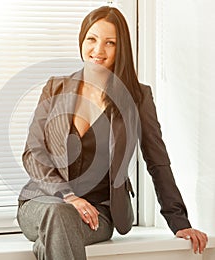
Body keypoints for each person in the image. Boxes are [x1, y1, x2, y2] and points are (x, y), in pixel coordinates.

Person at [16, 6, 208, 260]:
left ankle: (48, 244)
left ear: (121, 49)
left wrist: (179, 222)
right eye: (92, 39)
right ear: (82, 40)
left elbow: (157, 160)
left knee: (59, 228)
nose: (98, 50)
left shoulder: (137, 98)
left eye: (110, 43)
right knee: (58, 215)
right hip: (42, 204)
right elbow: (33, 153)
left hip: (99, 212)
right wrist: (68, 196)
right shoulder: (55, 88)